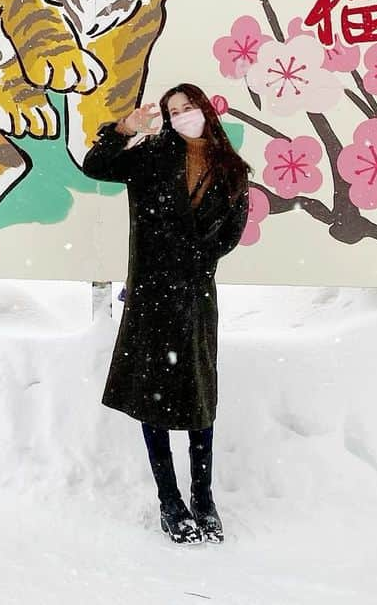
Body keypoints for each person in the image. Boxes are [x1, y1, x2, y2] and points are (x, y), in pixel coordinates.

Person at [82, 83, 251, 545]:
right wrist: (124, 129)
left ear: (205, 110)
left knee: (199, 399)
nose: (181, 116)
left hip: (195, 295)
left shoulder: (233, 170)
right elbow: (95, 166)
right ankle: (170, 500)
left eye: (188, 107)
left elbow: (230, 233)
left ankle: (203, 497)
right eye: (174, 110)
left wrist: (193, 261)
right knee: (151, 396)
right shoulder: (152, 156)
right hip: (152, 294)